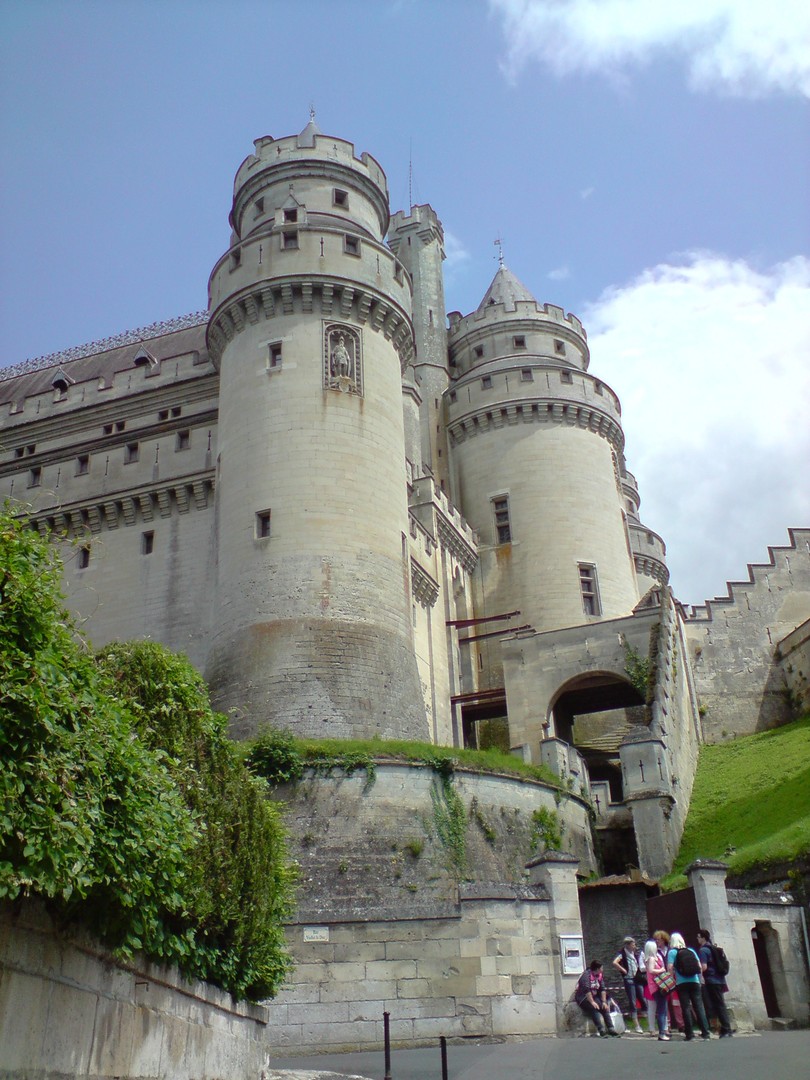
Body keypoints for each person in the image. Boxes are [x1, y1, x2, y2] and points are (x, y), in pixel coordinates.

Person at [667, 931, 711, 1040]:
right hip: (694, 981)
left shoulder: (672, 952)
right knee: (699, 1006)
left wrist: (672, 978)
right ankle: (705, 1032)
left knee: (685, 1007)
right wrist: (700, 978)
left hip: (682, 982)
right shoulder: (691, 950)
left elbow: (670, 968)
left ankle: (689, 1034)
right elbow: (699, 966)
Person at [697, 929, 733, 1037]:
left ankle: (725, 1028)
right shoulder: (714, 948)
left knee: (716, 1005)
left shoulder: (703, 950)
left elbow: (704, 967)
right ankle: (724, 1027)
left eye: (698, 937)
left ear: (703, 938)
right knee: (720, 1003)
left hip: (711, 980)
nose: (697, 939)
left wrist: (697, 971)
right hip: (720, 979)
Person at [574, 960, 621, 1037]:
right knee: (594, 1007)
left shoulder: (600, 975)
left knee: (604, 1007)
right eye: (601, 968)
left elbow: (602, 989)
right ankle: (601, 1029)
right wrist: (592, 1002)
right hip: (583, 997)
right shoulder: (586, 975)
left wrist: (604, 1001)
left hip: (594, 996)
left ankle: (611, 1028)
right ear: (597, 969)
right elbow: (587, 990)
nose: (602, 969)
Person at [612, 935, 644, 1033]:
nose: (634, 946)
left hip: (637, 978)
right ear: (628, 945)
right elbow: (614, 962)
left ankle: (646, 1018)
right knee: (633, 1001)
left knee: (642, 998)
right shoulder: (622, 953)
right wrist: (623, 969)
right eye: (633, 944)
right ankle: (636, 1025)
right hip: (629, 979)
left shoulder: (636, 953)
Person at [644, 938, 670, 1040]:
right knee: (661, 1010)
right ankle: (662, 1032)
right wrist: (661, 970)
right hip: (657, 986)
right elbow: (651, 970)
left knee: (662, 1009)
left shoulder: (654, 957)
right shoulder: (651, 959)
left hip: (657, 986)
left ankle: (663, 1031)